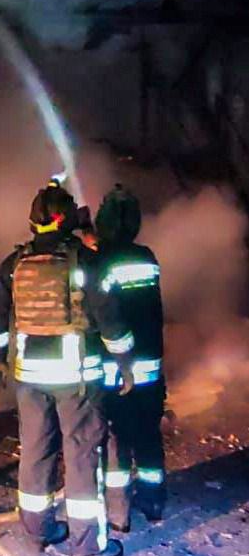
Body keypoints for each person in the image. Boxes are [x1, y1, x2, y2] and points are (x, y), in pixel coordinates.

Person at [0, 178, 135, 556]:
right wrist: (125, 362)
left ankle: (37, 532)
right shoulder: (86, 262)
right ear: (67, 219)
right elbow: (111, 320)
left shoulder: (13, 264)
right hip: (77, 379)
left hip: (30, 378)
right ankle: (87, 547)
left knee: (35, 451)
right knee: (82, 454)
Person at [95, 184, 165, 531]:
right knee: (149, 434)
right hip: (150, 366)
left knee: (117, 440)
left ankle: (119, 513)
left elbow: (102, 314)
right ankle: (154, 501)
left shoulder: (101, 261)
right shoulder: (148, 258)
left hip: (115, 370)